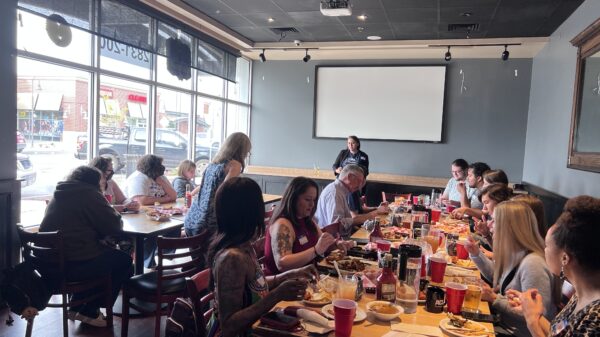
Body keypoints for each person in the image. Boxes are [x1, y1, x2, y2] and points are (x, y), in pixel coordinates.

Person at [207, 177, 317, 337]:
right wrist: (277, 295)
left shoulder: (243, 244)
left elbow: (255, 286)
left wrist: (289, 275)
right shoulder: (232, 258)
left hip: (257, 326)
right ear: (251, 212)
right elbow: (229, 325)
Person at [39, 166, 133, 327]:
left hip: (48, 265)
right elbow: (115, 225)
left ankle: (77, 304)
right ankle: (89, 309)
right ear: (95, 181)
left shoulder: (61, 192)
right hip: (71, 266)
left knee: (107, 256)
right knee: (124, 262)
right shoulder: (88, 194)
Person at [464, 201, 558, 337]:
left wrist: (494, 298)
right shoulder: (518, 252)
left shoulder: (533, 264)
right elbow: (495, 276)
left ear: (510, 227)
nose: (489, 225)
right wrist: (476, 254)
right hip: (500, 324)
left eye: (494, 221)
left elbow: (538, 314)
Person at [516, 196, 600, 337]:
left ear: (565, 258)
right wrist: (532, 312)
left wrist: (532, 322)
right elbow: (559, 333)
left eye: (547, 245)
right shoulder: (579, 294)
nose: (544, 249)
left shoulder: (595, 316)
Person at [263, 177, 355, 275]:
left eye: (314, 200)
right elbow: (282, 264)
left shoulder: (307, 220)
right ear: (293, 199)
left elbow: (324, 245)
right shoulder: (282, 225)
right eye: (307, 199)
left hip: (309, 276)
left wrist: (337, 245)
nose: (312, 204)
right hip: (286, 284)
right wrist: (315, 251)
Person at [184, 132, 251, 238]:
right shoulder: (234, 165)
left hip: (192, 220)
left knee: (199, 254)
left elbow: (202, 188)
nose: (247, 153)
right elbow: (225, 192)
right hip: (209, 223)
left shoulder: (212, 164)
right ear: (242, 149)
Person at [126, 154, 179, 268]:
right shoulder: (139, 178)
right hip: (138, 217)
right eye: (159, 165)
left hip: (158, 214)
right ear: (151, 166)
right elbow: (141, 201)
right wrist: (166, 198)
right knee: (151, 235)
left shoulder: (160, 177)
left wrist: (163, 183)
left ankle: (163, 256)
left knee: (175, 228)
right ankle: (146, 264)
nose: (162, 167)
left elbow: (174, 195)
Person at [315, 164, 388, 238]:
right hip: (332, 242)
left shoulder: (342, 191)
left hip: (342, 238)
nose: (360, 186)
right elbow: (337, 224)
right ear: (349, 177)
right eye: (359, 181)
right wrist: (372, 214)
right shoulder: (335, 193)